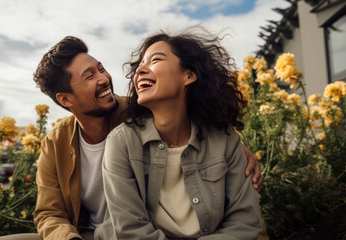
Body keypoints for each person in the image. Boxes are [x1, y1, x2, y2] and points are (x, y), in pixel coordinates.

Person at [1, 36, 261, 240]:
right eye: (90, 76)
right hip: (90, 234)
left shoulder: (140, 111)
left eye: (101, 68)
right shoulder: (56, 143)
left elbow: (189, 117)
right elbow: (49, 213)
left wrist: (235, 144)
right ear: (65, 99)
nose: (104, 79)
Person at [95, 29, 263, 239]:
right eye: (139, 66)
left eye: (154, 60)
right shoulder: (122, 141)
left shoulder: (226, 141)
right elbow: (130, 229)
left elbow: (244, 223)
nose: (140, 71)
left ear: (189, 75)